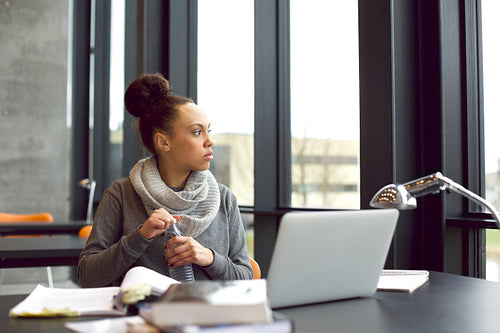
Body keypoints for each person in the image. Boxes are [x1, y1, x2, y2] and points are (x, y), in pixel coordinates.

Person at [77, 73, 253, 287]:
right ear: (163, 142)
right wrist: (140, 236)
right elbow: (87, 276)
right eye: (197, 132)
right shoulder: (122, 194)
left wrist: (210, 258)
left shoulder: (225, 198)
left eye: (209, 130)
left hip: (210, 317)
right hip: (141, 317)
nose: (210, 141)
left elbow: (246, 277)